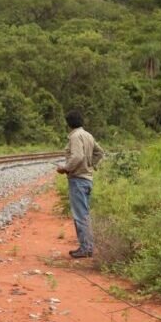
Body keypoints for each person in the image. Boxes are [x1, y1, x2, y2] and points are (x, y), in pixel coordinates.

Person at [56, 110, 103, 258]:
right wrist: (90, 165)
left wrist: (66, 168)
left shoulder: (75, 136)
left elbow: (77, 156)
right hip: (87, 179)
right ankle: (87, 247)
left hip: (78, 180)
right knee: (84, 213)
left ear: (69, 123)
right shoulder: (88, 135)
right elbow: (100, 152)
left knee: (80, 215)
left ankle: (86, 248)